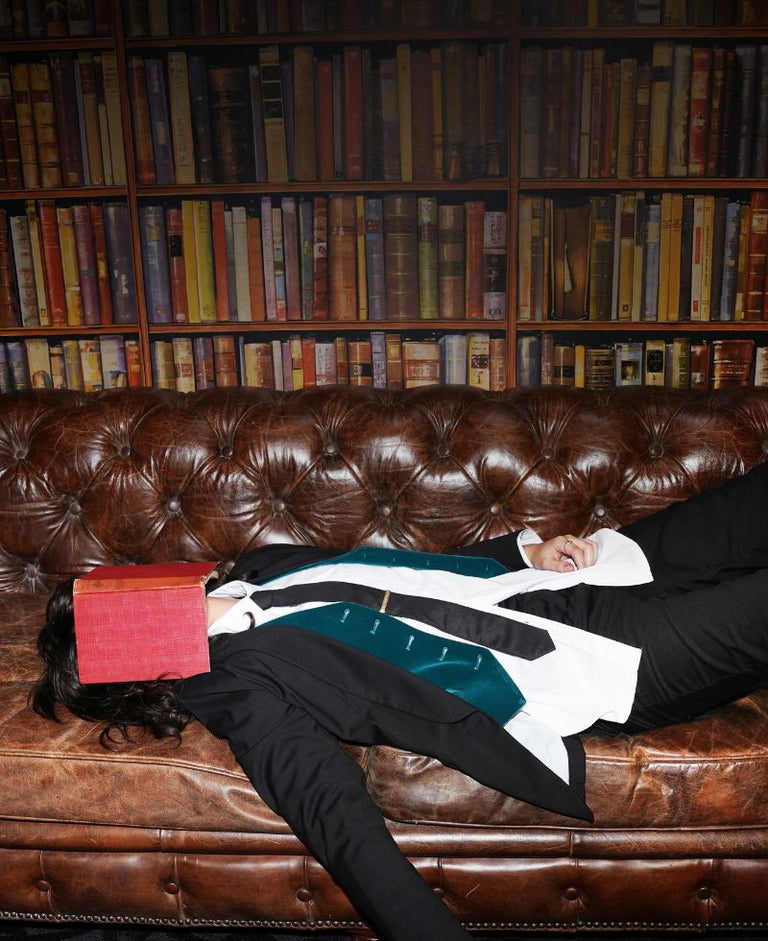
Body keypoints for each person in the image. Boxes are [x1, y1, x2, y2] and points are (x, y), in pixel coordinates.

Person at [31, 460, 768, 941]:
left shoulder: (250, 568)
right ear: (138, 659)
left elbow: (402, 568)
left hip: (579, 581)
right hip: (596, 661)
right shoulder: (236, 682)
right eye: (116, 598)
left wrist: (522, 553)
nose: (133, 577)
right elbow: (328, 807)